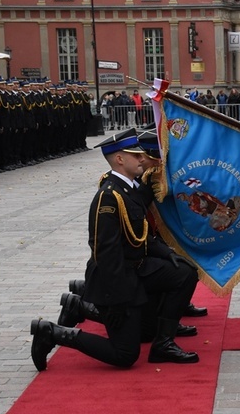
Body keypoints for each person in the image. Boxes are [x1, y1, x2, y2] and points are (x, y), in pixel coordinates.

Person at [29, 129, 200, 371]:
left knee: (183, 273)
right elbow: (105, 254)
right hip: (116, 282)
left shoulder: (129, 189)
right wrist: (119, 300)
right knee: (125, 354)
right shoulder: (109, 197)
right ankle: (52, 332)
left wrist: (167, 253)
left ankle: (163, 343)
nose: (143, 159)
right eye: (136, 155)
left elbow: (139, 234)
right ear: (120, 159)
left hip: (135, 271)